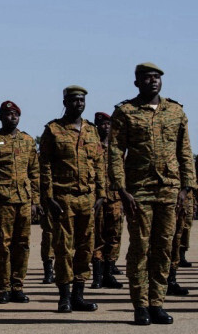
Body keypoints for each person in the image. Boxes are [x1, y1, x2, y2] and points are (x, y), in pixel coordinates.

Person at [109, 62, 196, 325]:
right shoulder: (125, 112)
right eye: (147, 78)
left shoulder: (175, 111)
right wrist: (121, 189)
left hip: (169, 189)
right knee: (140, 248)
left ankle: (157, 303)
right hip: (139, 191)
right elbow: (115, 152)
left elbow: (185, 152)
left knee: (164, 248)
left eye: (157, 77)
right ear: (137, 83)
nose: (153, 81)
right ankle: (140, 305)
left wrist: (186, 187)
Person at [39, 85, 105, 313]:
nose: (79, 104)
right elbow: (44, 164)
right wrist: (47, 197)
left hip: (88, 199)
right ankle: (64, 297)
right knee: (63, 249)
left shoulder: (91, 131)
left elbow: (99, 164)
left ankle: (79, 295)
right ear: (65, 102)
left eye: (82, 100)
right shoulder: (53, 130)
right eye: (75, 100)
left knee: (86, 248)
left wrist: (101, 194)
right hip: (63, 198)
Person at [0, 101, 40, 304]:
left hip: (24, 201)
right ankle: (4, 288)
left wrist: (36, 201)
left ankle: (18, 286)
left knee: (23, 245)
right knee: (3, 246)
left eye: (15, 114)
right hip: (2, 201)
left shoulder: (27, 140)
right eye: (8, 114)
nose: (12, 117)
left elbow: (35, 172)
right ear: (0, 117)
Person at [90, 112, 123, 290]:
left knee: (115, 235)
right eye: (102, 124)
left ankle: (109, 274)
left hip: (116, 198)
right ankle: (97, 276)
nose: (106, 127)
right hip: (97, 199)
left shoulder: (117, 148)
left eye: (109, 124)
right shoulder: (91, 146)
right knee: (97, 237)